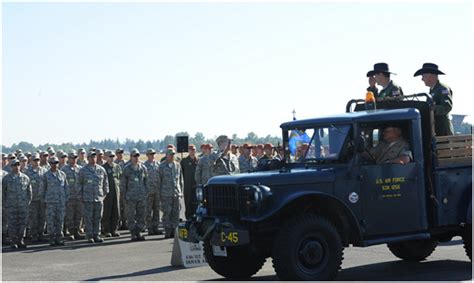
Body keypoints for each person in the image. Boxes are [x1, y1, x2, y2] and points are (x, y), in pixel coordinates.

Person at [414, 63, 454, 136]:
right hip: (435, 130)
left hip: (443, 131)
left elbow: (447, 107)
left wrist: (432, 109)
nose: (422, 79)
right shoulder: (433, 90)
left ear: (431, 76)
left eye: (423, 76)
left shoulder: (443, 89)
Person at [79, 151, 109, 243]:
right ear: (87, 159)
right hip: (87, 198)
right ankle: (89, 235)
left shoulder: (101, 170)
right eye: (91, 157)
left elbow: (105, 183)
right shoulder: (83, 170)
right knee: (88, 218)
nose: (93, 159)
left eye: (94, 157)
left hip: (99, 198)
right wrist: (81, 196)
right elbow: (79, 184)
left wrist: (104, 195)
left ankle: (97, 234)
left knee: (98, 217)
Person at [3, 159, 32, 248]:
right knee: (12, 224)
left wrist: (27, 203)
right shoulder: (7, 178)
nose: (17, 167)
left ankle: (20, 240)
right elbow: (3, 192)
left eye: (18, 165)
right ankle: (13, 241)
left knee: (22, 224)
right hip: (11, 206)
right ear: (11, 166)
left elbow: (29, 192)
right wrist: (5, 204)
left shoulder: (25, 177)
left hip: (23, 206)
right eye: (15, 165)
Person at [121, 148, 147, 241]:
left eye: (138, 156)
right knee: (131, 216)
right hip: (130, 197)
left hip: (141, 196)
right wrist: (124, 196)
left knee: (141, 215)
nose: (136, 158)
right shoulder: (127, 169)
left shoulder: (143, 168)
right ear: (131, 157)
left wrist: (145, 193)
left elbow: (146, 181)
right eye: (134, 156)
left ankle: (139, 232)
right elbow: (123, 184)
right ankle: (133, 233)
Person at [42, 157, 69, 246]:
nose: (55, 164)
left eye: (56, 163)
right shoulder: (46, 175)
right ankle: (51, 239)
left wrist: (66, 199)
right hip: (50, 202)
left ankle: (58, 238)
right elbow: (42, 189)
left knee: (59, 221)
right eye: (53, 163)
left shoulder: (62, 174)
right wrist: (44, 201)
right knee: (50, 221)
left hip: (61, 202)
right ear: (50, 164)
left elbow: (66, 188)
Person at [158, 148, 183, 238]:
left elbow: (180, 179)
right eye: (170, 154)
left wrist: (181, 192)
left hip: (176, 193)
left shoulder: (177, 165)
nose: (172, 156)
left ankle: (174, 230)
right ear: (166, 155)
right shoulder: (162, 166)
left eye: (173, 154)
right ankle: (168, 231)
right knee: (167, 213)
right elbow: (159, 181)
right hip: (166, 193)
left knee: (176, 213)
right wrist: (160, 194)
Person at [25, 153, 47, 242]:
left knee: (42, 217)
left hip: (42, 199)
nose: (36, 162)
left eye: (38, 160)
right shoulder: (27, 172)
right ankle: (34, 234)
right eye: (34, 160)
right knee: (33, 218)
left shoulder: (44, 171)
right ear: (31, 161)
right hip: (33, 199)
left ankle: (41, 234)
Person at [62, 150, 83, 241]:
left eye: (75, 158)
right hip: (69, 197)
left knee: (79, 215)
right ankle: (71, 232)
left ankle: (77, 231)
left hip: (79, 196)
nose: (73, 160)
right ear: (68, 159)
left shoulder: (81, 169)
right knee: (69, 215)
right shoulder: (64, 170)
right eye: (71, 158)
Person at [102, 150, 122, 238]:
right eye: (110, 156)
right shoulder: (103, 168)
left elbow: (120, 178)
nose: (112, 158)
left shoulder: (117, 167)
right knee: (107, 211)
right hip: (107, 192)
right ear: (106, 157)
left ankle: (114, 229)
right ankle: (106, 230)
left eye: (113, 156)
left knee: (116, 211)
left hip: (116, 191)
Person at [143, 148, 161, 235]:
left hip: (157, 190)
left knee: (157, 210)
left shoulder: (158, 165)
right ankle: (149, 228)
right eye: (150, 154)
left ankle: (156, 227)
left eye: (153, 153)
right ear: (147, 155)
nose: (152, 155)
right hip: (148, 192)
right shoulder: (144, 166)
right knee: (148, 211)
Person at [181, 144, 199, 220]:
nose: (193, 151)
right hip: (187, 185)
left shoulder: (198, 160)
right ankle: (188, 217)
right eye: (191, 150)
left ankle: (196, 216)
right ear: (188, 151)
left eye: (194, 150)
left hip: (196, 185)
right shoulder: (184, 161)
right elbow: (181, 174)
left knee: (197, 201)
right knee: (188, 201)